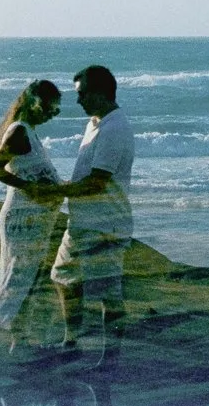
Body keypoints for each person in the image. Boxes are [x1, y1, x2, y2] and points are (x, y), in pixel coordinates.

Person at [30, 64, 134, 350]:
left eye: (82, 94)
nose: (78, 101)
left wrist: (56, 190)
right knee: (63, 277)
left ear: (100, 92)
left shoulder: (114, 128)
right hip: (84, 223)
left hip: (104, 224)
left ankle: (109, 356)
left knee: (108, 293)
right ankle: (72, 341)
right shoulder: (96, 123)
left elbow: (97, 182)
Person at [0, 79, 63, 331]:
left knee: (26, 278)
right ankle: (1, 332)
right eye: (49, 108)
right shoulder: (19, 131)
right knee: (16, 279)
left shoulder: (30, 131)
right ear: (33, 103)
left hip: (34, 220)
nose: (51, 115)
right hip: (22, 220)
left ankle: (15, 337)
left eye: (56, 111)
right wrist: (32, 188)